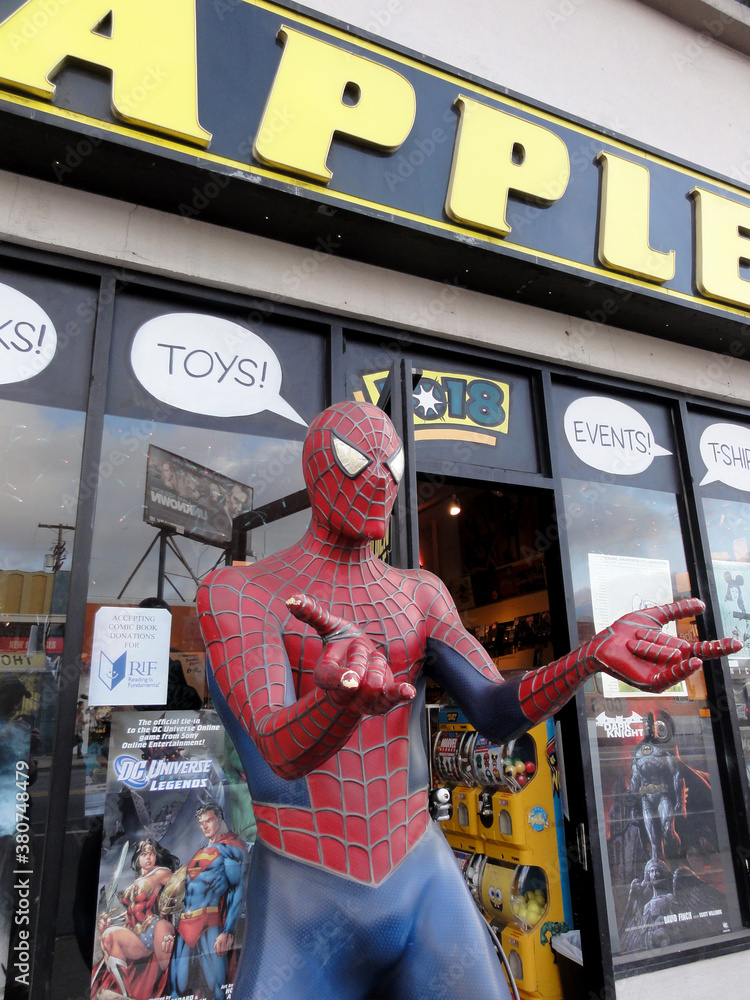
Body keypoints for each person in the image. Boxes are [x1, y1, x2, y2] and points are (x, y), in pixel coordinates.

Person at [196, 400, 739, 1000]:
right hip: (302, 890)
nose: (381, 478)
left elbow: (496, 710)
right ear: (315, 469)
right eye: (357, 462)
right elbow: (278, 748)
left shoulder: (421, 594)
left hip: (419, 878)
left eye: (393, 464)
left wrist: (588, 657)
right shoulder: (242, 591)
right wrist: (336, 701)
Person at [170, 802, 248, 1000]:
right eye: (201, 822)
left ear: (220, 819)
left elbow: (237, 889)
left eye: (209, 820)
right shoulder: (202, 850)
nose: (204, 826)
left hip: (209, 923)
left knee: (218, 989)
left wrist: (228, 931)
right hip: (185, 924)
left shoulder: (231, 849)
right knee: (177, 989)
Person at [94, 838, 180, 1000]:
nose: (148, 857)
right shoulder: (136, 882)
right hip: (135, 936)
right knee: (108, 936)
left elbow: (182, 887)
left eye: (151, 853)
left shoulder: (160, 872)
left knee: (168, 971)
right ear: (137, 858)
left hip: (154, 928)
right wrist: (108, 923)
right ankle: (127, 996)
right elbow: (131, 911)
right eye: (144, 854)